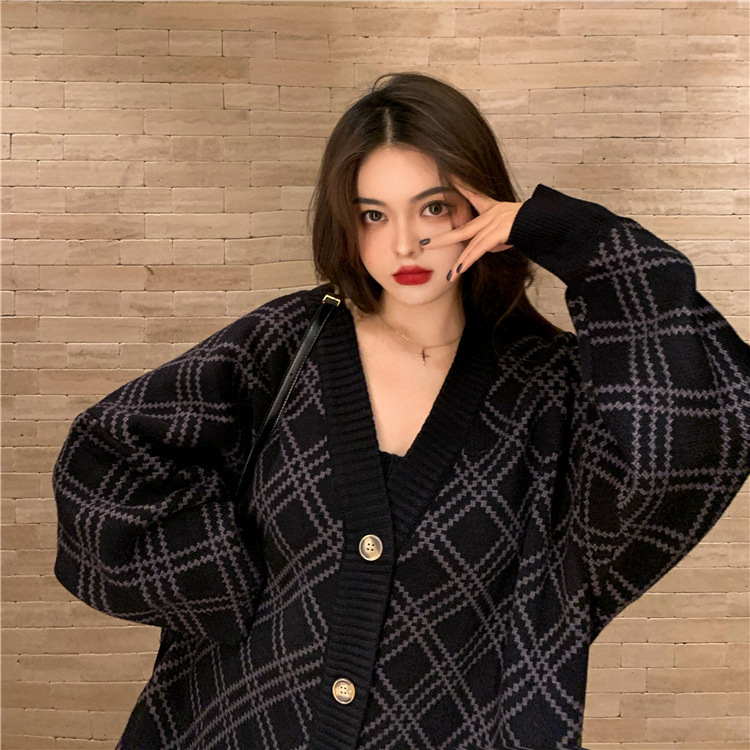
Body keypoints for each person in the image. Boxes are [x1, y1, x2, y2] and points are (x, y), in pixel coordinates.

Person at [53, 73, 750, 750]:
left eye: (434, 207)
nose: (404, 244)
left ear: (483, 207)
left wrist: (572, 235)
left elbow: (693, 443)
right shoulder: (284, 346)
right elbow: (106, 463)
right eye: (374, 215)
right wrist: (225, 588)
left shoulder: (550, 392)